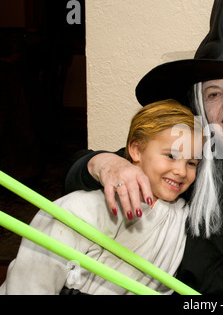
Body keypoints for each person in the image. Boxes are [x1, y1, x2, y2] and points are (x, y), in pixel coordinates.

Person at [64, 0, 223, 294]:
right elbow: (73, 179)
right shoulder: (182, 156)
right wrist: (106, 164)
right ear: (199, 104)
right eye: (213, 94)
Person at [0, 99, 202, 295]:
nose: (181, 171)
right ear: (136, 150)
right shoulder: (87, 207)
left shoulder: (183, 217)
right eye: (171, 156)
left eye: (192, 163)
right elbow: (34, 274)